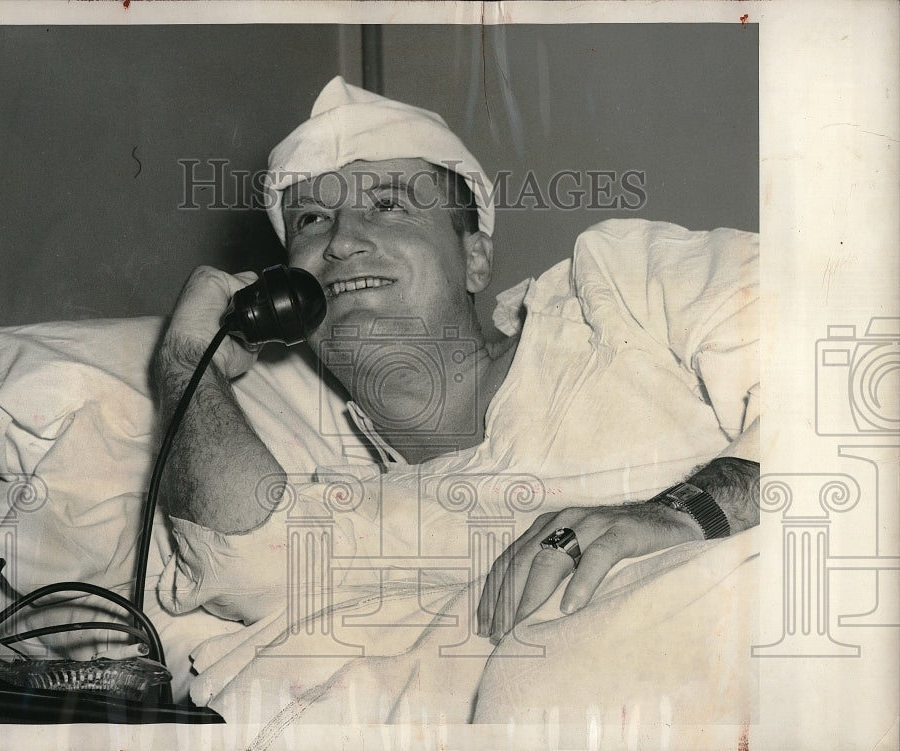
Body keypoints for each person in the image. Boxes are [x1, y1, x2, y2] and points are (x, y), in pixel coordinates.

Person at [152, 76, 760, 641]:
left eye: (388, 205)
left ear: (475, 259)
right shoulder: (371, 509)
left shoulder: (617, 284)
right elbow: (248, 561)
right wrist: (186, 362)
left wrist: (686, 512)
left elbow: (833, 387)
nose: (340, 241)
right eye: (312, 220)